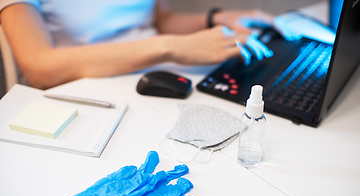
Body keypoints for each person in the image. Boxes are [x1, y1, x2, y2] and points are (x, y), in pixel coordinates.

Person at [0, 0, 285, 90]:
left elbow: (160, 20)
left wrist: (216, 18)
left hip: (156, 69)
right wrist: (170, 46)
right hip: (79, 85)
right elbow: (39, 66)